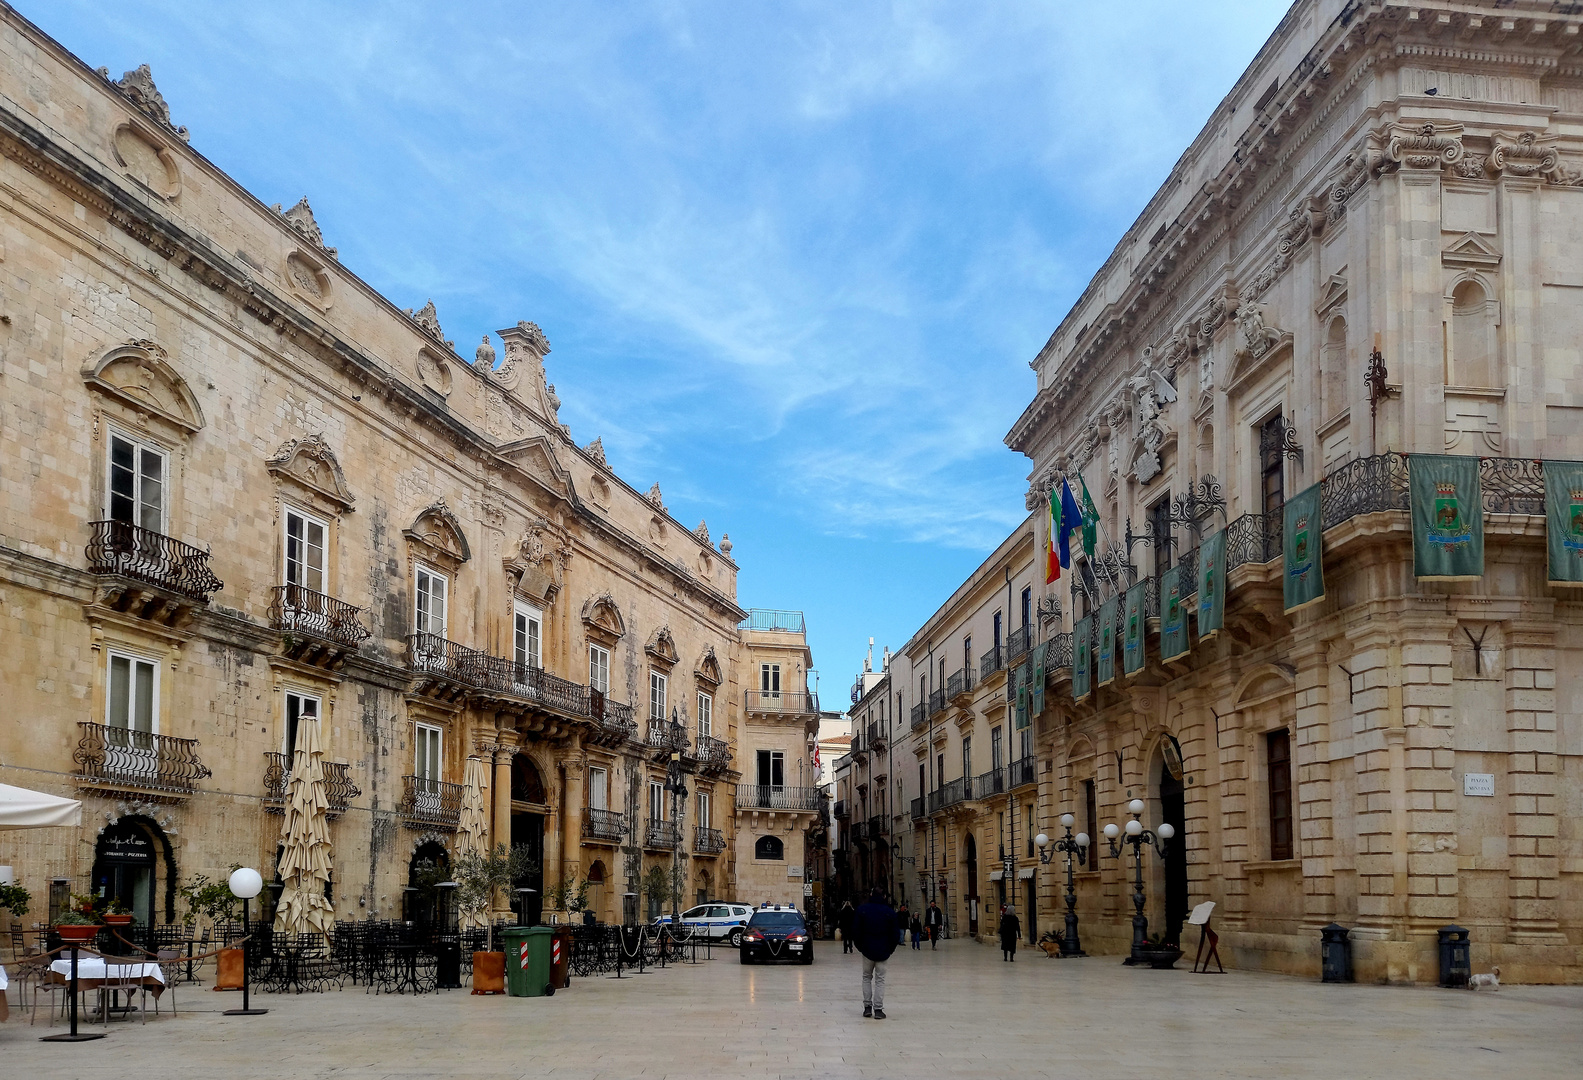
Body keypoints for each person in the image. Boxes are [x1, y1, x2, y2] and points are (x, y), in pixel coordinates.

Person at [853, 888, 897, 1019]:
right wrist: (890, 950)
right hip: (883, 950)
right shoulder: (889, 912)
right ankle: (878, 1009)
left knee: (866, 977)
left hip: (867, 950)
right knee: (880, 980)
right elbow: (895, 934)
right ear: (883, 896)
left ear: (871, 895)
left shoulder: (862, 910)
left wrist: (861, 947)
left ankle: (867, 1007)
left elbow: (855, 931)